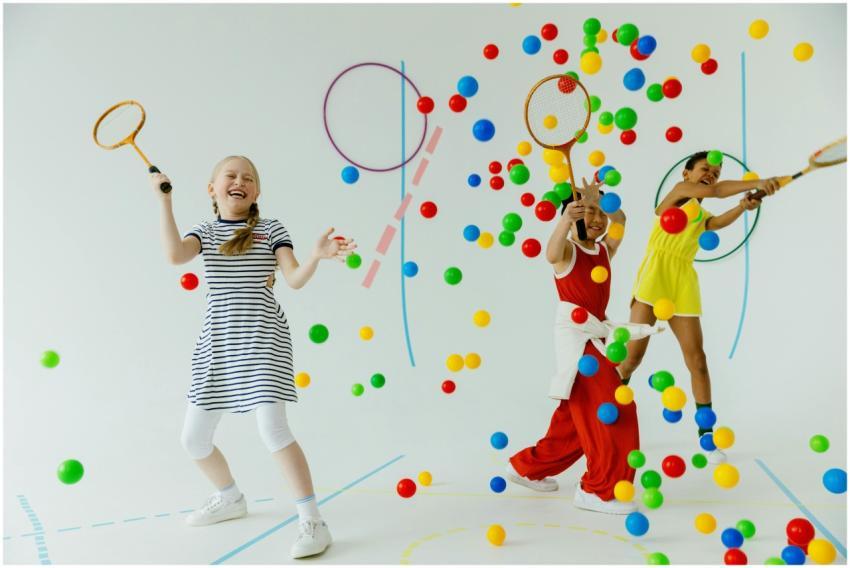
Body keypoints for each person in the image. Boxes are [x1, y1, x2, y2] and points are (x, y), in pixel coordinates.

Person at [151, 155, 355, 558]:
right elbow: (175, 255)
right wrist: (164, 201)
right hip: (218, 345)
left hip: (263, 341)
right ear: (212, 189)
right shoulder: (206, 231)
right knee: (193, 440)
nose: (239, 181)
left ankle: (313, 522)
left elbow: (293, 279)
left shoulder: (271, 229)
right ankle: (229, 497)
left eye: (248, 178)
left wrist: (316, 256)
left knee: (273, 430)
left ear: (256, 192)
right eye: (230, 175)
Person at [506, 178, 663, 514]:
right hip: (578, 341)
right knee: (615, 408)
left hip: (598, 338)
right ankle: (598, 490)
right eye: (588, 211)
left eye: (600, 213)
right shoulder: (567, 252)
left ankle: (527, 467)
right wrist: (566, 218)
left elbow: (621, 221)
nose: (597, 218)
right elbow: (550, 253)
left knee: (575, 421)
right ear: (573, 214)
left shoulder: (604, 250)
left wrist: (602, 201)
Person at [616, 151, 779, 463]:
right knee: (632, 358)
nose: (711, 176)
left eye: (715, 173)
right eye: (705, 169)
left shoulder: (699, 213)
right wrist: (759, 182)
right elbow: (716, 191)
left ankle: (706, 435)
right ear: (686, 174)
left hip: (683, 282)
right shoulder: (678, 194)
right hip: (655, 276)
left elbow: (714, 223)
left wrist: (742, 206)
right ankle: (606, 418)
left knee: (698, 360)